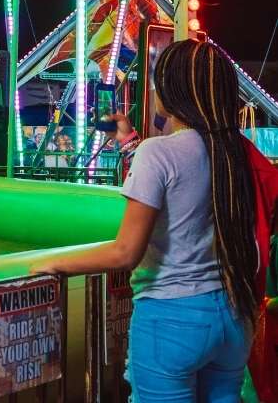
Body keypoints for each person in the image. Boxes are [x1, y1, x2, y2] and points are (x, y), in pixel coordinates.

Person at [30, 39, 267, 401]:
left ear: (170, 93)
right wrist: (128, 142)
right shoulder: (235, 149)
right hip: (233, 317)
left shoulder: (159, 153)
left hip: (172, 319)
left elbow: (126, 253)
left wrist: (52, 263)